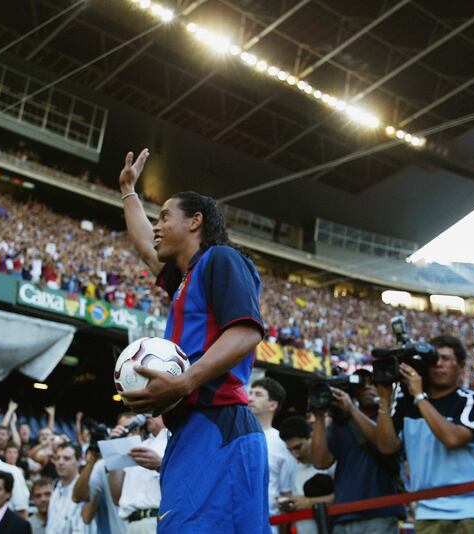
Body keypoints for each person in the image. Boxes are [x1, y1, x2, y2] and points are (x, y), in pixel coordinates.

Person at [117, 148, 268, 532]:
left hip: (220, 424)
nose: (157, 225)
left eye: (165, 216)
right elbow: (146, 249)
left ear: (196, 221)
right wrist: (128, 191)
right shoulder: (187, 277)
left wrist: (185, 380)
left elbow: (248, 331)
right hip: (189, 430)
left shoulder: (221, 259)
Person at [375, 335, 474, 533]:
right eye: (433, 360)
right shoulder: (406, 404)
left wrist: (419, 397)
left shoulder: (472, 401)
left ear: (462, 366)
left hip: (471, 509)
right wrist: (385, 400)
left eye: (446, 359)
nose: (438, 364)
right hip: (427, 512)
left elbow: (452, 439)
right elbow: (386, 446)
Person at [310, 370, 403, 533]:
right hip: (343, 514)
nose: (368, 388)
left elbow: (385, 444)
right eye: (362, 385)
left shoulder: (389, 420)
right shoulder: (341, 425)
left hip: (380, 514)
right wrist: (319, 417)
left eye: (374, 383)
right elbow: (320, 462)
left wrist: (352, 409)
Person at [249, 377, 297, 525]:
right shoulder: (234, 436)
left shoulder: (282, 443)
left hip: (269, 523)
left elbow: (286, 492)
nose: (250, 398)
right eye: (250, 393)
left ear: (273, 405)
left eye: (258, 394)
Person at [108, 415, 167, 534]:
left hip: (158, 521)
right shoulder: (139, 446)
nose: (148, 414)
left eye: (154, 411)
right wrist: (115, 447)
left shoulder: (176, 441)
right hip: (131, 525)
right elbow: (116, 497)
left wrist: (161, 466)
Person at [277, 416, 334, 534]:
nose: (295, 454)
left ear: (311, 437)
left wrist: (309, 502)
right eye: (290, 450)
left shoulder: (332, 464)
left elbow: (344, 497)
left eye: (298, 447)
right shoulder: (297, 472)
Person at [73, 414, 128, 534]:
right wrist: (95, 454)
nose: (127, 434)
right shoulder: (103, 465)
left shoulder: (154, 459)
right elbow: (80, 501)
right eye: (122, 430)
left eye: (132, 429)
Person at [47, 442, 95, 533]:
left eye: (66, 458)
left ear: (79, 460)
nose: (60, 462)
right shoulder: (55, 489)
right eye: (57, 458)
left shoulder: (84, 491)